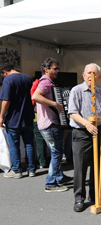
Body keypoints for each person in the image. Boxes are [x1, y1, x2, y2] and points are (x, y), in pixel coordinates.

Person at [68, 63, 101, 212]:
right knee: (80, 167)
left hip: (98, 132)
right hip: (81, 133)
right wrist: (86, 123)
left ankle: (95, 196)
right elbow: (73, 113)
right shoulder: (76, 90)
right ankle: (79, 198)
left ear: (99, 77)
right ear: (83, 75)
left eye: (95, 74)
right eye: (89, 73)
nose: (91, 76)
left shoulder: (100, 92)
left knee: (97, 166)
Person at [32, 58, 73, 192]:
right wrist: (55, 104)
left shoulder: (48, 83)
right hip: (50, 124)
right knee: (56, 153)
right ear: (46, 69)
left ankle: (60, 177)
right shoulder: (45, 83)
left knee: (57, 152)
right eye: (55, 68)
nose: (57, 71)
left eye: (57, 68)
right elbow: (35, 97)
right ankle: (50, 183)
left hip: (48, 123)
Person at [0, 64, 36, 178]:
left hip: (13, 119)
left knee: (14, 145)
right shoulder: (28, 78)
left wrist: (1, 116)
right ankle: (32, 170)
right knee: (29, 144)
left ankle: (17, 170)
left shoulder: (8, 80)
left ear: (5, 72)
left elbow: (6, 100)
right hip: (28, 117)